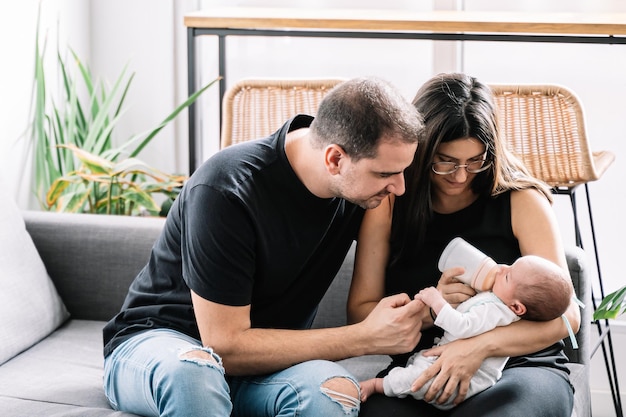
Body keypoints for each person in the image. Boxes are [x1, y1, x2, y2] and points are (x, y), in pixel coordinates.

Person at [102, 76, 426, 417]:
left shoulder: (362, 192)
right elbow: (224, 346)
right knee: (194, 374)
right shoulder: (226, 189)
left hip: (265, 368)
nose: (400, 188)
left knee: (333, 395)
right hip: (166, 346)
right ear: (334, 159)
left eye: (404, 171)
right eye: (386, 173)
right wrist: (363, 338)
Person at [348, 73, 581, 417]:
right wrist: (427, 312)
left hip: (516, 367)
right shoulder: (390, 202)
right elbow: (360, 312)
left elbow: (568, 317)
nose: (460, 176)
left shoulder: (521, 200)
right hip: (423, 368)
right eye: (445, 161)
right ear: (420, 149)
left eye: (474, 161)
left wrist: (479, 345)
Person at [360, 253, 573, 409]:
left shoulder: (496, 310)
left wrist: (437, 301)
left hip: (460, 380)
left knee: (415, 380)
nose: (501, 268)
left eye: (508, 276)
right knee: (420, 368)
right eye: (509, 266)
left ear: (517, 307)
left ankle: (378, 385)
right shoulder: (498, 299)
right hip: (450, 361)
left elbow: (462, 325)